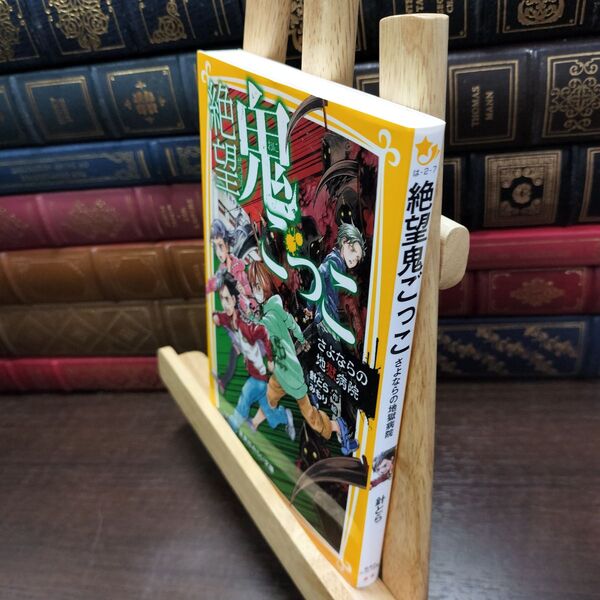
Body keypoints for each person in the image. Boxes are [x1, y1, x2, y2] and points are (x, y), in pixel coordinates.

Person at [247, 260, 357, 455]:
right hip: (281, 369)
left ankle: (337, 427)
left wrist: (255, 322)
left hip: (290, 371)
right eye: (253, 287)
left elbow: (269, 324)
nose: (257, 292)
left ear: (266, 284)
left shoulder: (272, 312)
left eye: (258, 286)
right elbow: (290, 323)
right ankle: (254, 423)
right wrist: (300, 338)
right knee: (270, 396)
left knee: (309, 414)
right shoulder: (271, 308)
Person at [213, 271, 295, 439]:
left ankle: (232, 426)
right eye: (222, 298)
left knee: (245, 395)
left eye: (227, 299)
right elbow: (224, 318)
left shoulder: (245, 325)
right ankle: (285, 416)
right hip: (254, 373)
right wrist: (216, 317)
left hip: (259, 375)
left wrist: (271, 359)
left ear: (234, 299)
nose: (224, 304)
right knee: (269, 412)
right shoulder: (232, 319)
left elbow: (264, 333)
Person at [313, 222, 365, 341]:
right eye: (352, 250)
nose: (354, 259)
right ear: (344, 242)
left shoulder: (340, 264)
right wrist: (310, 306)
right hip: (326, 317)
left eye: (357, 258)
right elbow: (318, 274)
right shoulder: (334, 261)